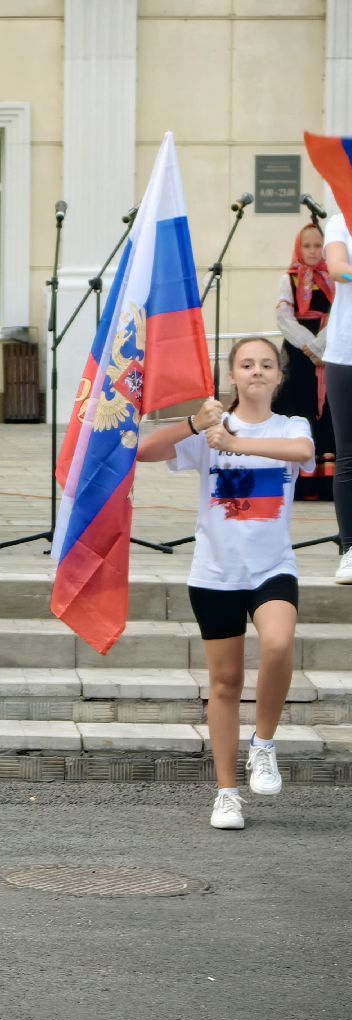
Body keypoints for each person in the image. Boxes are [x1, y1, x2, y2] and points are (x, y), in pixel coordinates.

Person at [136, 337, 314, 830]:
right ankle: (227, 793)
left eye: (266, 365)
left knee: (278, 644)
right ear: (233, 374)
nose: (257, 371)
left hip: (271, 569)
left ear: (279, 377)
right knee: (226, 683)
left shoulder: (292, 427)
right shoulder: (210, 427)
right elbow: (143, 450)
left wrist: (234, 442)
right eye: (246, 364)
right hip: (214, 575)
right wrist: (196, 423)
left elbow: (301, 452)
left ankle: (264, 744)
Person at [273, 222, 336, 499]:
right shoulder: (288, 278)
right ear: (299, 247)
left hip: (331, 348)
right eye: (307, 245)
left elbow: (340, 314)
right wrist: (309, 347)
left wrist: (321, 345)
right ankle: (300, 483)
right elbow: (284, 318)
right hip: (299, 355)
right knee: (300, 408)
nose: (312, 251)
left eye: (318, 245)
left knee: (330, 413)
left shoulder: (336, 278)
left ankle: (327, 483)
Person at [317, 210, 352, 583]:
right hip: (347, 354)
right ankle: (350, 548)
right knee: (349, 454)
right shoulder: (342, 219)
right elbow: (339, 266)